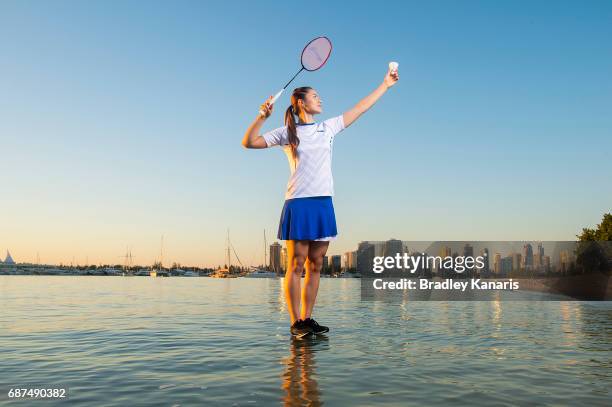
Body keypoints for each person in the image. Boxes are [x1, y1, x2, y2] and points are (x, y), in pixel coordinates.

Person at [242, 65, 399, 337]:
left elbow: (360, 108)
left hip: (324, 203)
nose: (320, 99)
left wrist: (385, 85)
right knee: (296, 263)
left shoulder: (328, 128)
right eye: (316, 96)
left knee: (316, 265)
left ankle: (307, 318)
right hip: (299, 202)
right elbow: (249, 142)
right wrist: (261, 116)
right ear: (301, 102)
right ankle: (295, 323)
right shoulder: (285, 133)